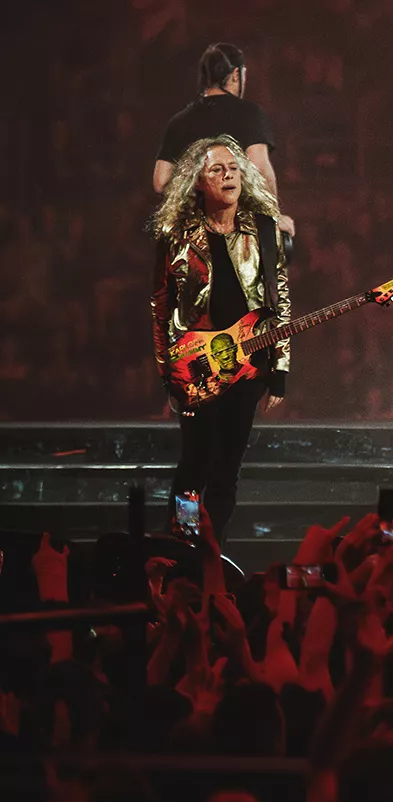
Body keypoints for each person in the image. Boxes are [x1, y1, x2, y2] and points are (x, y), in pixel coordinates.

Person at [150, 136, 291, 540]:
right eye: (217, 169)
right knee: (195, 463)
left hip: (248, 367)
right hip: (196, 365)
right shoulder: (176, 234)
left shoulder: (264, 230)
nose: (228, 175)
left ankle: (212, 547)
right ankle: (183, 541)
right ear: (198, 181)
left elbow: (280, 300)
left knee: (227, 468)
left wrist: (280, 368)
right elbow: (161, 304)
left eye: (233, 168)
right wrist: (168, 371)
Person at [154, 43, 294, 238]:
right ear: (236, 75)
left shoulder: (179, 121)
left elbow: (160, 182)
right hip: (240, 231)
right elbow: (260, 168)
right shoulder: (250, 114)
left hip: (192, 234)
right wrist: (273, 218)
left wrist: (198, 190)